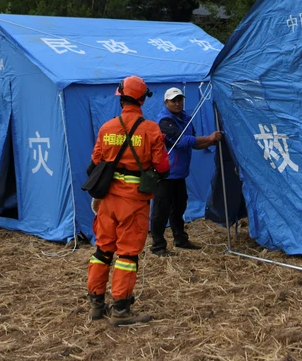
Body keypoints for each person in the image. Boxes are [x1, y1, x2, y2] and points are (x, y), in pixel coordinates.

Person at [86, 75, 170, 326]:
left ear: (120, 97)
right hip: (134, 201)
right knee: (127, 255)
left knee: (102, 250)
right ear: (143, 99)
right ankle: (121, 309)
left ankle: (96, 304)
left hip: (107, 201)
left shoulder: (107, 128)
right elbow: (163, 168)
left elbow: (94, 165)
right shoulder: (151, 129)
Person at [150, 87, 222, 256]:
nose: (177, 103)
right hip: (165, 174)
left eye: (180, 100)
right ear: (166, 103)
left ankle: (180, 239)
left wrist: (211, 143)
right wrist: (209, 138)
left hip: (180, 173)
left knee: (179, 207)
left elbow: (194, 144)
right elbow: (181, 141)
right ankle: (158, 246)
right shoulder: (164, 121)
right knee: (161, 211)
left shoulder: (186, 118)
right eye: (173, 100)